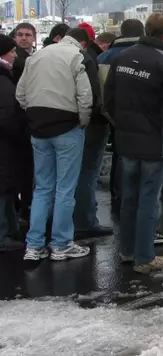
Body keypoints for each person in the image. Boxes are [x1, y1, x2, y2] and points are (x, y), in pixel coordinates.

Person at [104, 13, 163, 274]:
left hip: (126, 142)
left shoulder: (121, 58)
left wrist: (122, 127)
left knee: (129, 199)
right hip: (154, 144)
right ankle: (145, 257)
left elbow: (108, 100)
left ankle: (128, 250)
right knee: (149, 200)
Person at [17, 32, 93, 261]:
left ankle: (34, 245)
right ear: (80, 43)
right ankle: (60, 244)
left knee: (42, 187)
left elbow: (21, 94)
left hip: (38, 127)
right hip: (67, 127)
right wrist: (83, 121)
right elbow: (85, 97)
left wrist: (33, 115)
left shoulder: (35, 57)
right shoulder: (76, 57)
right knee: (65, 188)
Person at [65, 28, 112, 238]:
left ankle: (65, 223)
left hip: (66, 124)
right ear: (87, 41)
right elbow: (94, 96)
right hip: (91, 125)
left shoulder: (55, 56)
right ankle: (85, 221)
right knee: (87, 174)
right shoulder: (88, 58)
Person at [98, 19, 146, 204]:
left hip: (113, 115)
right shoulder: (147, 55)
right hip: (141, 117)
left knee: (119, 154)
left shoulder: (104, 57)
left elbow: (102, 91)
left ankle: (118, 191)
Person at [0, 35, 33, 251]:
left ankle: (11, 229)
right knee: (3, 189)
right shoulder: (3, 80)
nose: (14, 55)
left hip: (6, 144)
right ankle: (3, 236)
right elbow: (7, 115)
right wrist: (24, 134)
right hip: (5, 145)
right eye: (11, 51)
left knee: (8, 189)